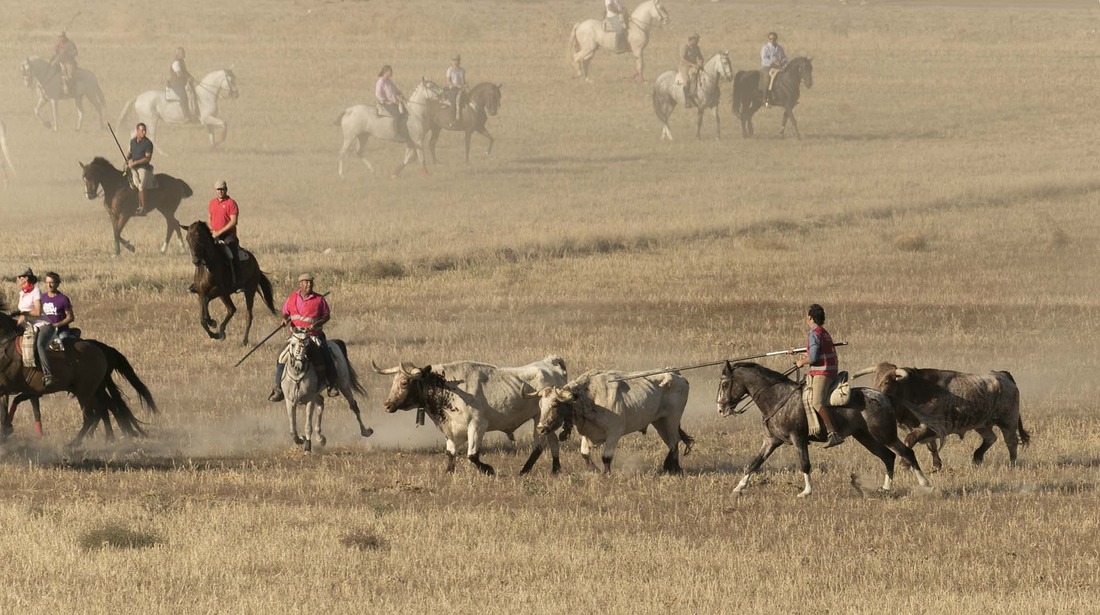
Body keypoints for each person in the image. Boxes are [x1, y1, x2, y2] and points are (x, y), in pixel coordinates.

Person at [269, 273, 337, 402]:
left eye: (310, 282)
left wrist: (316, 325)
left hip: (313, 336)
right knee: (281, 356)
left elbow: (326, 316)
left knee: (326, 355)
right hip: (295, 336)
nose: (309, 284)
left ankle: (332, 384)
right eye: (306, 282)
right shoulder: (292, 298)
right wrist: (284, 319)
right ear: (300, 284)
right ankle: (278, 388)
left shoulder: (319, 299)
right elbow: (285, 312)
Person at [792, 304, 844, 448]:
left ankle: (833, 433)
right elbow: (815, 352)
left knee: (816, 402)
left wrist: (801, 362)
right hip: (829, 370)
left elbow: (813, 358)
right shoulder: (823, 332)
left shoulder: (813, 334)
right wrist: (796, 352)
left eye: (806, 316)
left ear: (810, 317)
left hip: (823, 373)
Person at [13, 269, 54, 387]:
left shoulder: (36, 291)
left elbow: (38, 312)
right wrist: (15, 325)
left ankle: (48, 374)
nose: (17, 279)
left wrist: (24, 313)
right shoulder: (22, 293)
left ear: (26, 278)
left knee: (40, 345)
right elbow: (23, 315)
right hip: (29, 326)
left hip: (43, 325)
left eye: (19, 277)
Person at [209, 179, 241, 290]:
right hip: (214, 234)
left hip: (228, 235)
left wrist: (219, 232)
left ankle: (238, 281)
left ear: (226, 190)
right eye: (218, 189)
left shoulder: (231, 203)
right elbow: (210, 218)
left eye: (222, 189)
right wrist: (211, 230)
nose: (220, 191)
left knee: (232, 253)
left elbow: (233, 222)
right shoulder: (212, 203)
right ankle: (201, 282)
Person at [40, 272, 77, 346]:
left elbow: (70, 317)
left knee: (63, 343)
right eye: (47, 283)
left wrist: (55, 325)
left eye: (51, 283)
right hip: (45, 330)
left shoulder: (63, 299)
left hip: (61, 330)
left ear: (57, 284)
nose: (49, 285)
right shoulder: (42, 298)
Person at [126, 123, 154, 215]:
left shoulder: (148, 143)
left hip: (143, 168)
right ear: (137, 131)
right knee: (125, 178)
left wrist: (135, 163)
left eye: (145, 130)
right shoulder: (132, 142)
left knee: (141, 186)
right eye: (142, 130)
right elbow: (131, 153)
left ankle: (142, 208)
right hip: (133, 167)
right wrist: (128, 156)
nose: (144, 132)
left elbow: (147, 158)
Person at [375, 65, 408, 141]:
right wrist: (386, 101)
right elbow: (378, 94)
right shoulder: (380, 82)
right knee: (396, 114)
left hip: (393, 102)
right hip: (385, 103)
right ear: (385, 72)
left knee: (404, 111)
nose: (391, 73)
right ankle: (395, 133)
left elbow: (395, 89)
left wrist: (400, 93)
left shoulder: (389, 81)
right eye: (390, 71)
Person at [169, 47, 198, 123]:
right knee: (183, 97)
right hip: (176, 84)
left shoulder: (182, 62)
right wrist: (187, 77)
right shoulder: (176, 63)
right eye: (182, 53)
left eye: (184, 52)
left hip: (182, 83)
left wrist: (191, 77)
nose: (184, 54)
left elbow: (185, 72)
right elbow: (179, 74)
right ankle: (186, 117)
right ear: (178, 54)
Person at [760, 32, 788, 107]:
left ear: (776, 39)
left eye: (774, 39)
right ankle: (765, 99)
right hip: (768, 67)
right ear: (768, 39)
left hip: (779, 68)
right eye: (770, 39)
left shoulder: (780, 48)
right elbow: (764, 59)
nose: (772, 40)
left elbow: (784, 57)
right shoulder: (765, 48)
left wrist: (783, 61)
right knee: (767, 78)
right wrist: (773, 62)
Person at [678, 34, 704, 108]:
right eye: (696, 39)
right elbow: (682, 59)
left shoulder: (696, 47)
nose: (698, 41)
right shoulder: (685, 47)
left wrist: (700, 62)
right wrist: (693, 64)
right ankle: (687, 101)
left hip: (694, 66)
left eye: (698, 40)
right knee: (686, 80)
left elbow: (700, 57)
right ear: (691, 40)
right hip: (684, 66)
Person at [445, 54, 467, 126]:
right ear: (452, 61)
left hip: (461, 89)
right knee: (453, 104)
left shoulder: (462, 70)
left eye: (457, 60)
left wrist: (466, 85)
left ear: (459, 61)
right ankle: (452, 120)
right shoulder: (450, 70)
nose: (455, 62)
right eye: (454, 60)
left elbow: (463, 80)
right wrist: (456, 86)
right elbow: (448, 82)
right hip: (453, 90)